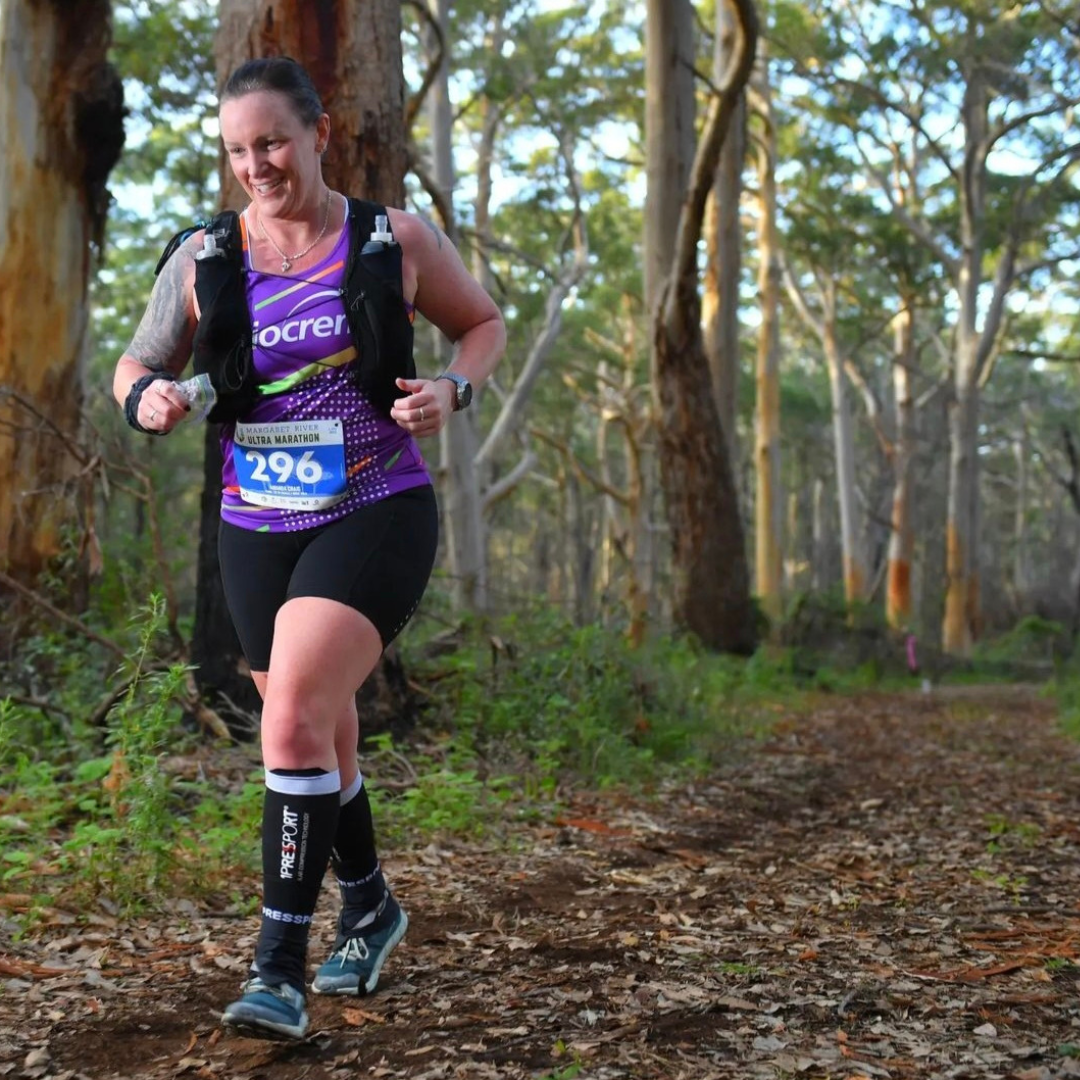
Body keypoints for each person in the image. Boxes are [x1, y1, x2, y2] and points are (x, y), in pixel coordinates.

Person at [113, 56, 505, 1042]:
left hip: (374, 504)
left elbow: (482, 325)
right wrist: (142, 397)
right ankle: (369, 905)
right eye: (240, 150)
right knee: (318, 731)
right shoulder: (204, 258)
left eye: (275, 142)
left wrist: (455, 392)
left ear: (320, 134)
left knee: (288, 720)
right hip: (257, 524)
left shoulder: (392, 238)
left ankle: (278, 970)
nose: (259, 165)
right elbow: (136, 361)